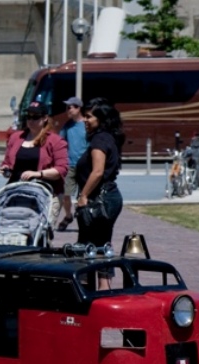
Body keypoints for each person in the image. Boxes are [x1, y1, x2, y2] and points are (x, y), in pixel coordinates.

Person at [75, 97, 125, 290]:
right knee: (102, 245)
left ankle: (90, 292)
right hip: (109, 196)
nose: (84, 120)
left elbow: (97, 171)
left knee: (87, 246)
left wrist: (83, 196)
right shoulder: (108, 137)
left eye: (89, 117)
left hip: (99, 199)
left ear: (101, 119)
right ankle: (105, 289)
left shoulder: (99, 139)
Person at [0, 101, 68, 226]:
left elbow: (61, 170)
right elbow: (7, 163)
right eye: (28, 116)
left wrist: (37, 174)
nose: (31, 120)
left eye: (35, 117)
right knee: (11, 227)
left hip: (46, 194)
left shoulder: (55, 141)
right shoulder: (16, 138)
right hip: (17, 192)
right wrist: (6, 169)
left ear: (45, 118)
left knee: (39, 232)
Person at [58, 96, 89, 232]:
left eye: (70, 107)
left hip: (84, 166)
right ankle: (68, 215)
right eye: (66, 108)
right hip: (70, 165)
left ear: (78, 108)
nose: (67, 110)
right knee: (66, 194)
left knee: (83, 194)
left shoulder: (86, 125)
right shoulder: (67, 125)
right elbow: (60, 141)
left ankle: (84, 219)